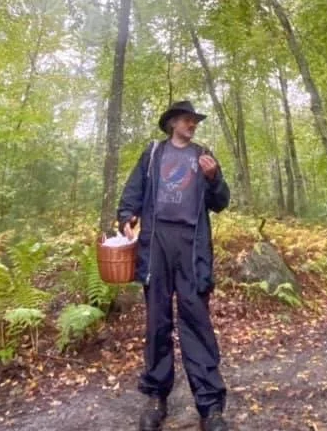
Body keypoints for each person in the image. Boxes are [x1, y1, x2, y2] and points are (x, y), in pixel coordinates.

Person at [117, 100, 231, 431]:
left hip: (191, 246)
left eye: (194, 120)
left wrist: (212, 178)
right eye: (187, 119)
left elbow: (221, 202)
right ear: (171, 124)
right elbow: (132, 193)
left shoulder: (203, 154)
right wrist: (127, 217)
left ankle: (210, 407)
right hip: (156, 244)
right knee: (157, 322)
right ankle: (156, 398)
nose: (192, 124)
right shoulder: (153, 153)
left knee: (196, 322)